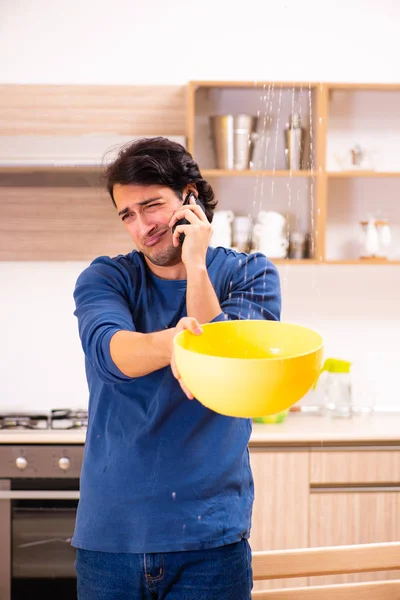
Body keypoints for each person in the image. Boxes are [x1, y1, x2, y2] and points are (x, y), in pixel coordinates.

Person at [72, 136, 281, 600]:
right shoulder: (107, 277)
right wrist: (182, 343)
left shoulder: (250, 274)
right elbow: (113, 355)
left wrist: (196, 266)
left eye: (151, 206)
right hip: (112, 536)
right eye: (127, 214)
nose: (141, 226)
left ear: (190, 198)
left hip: (210, 538)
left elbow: (226, 369)